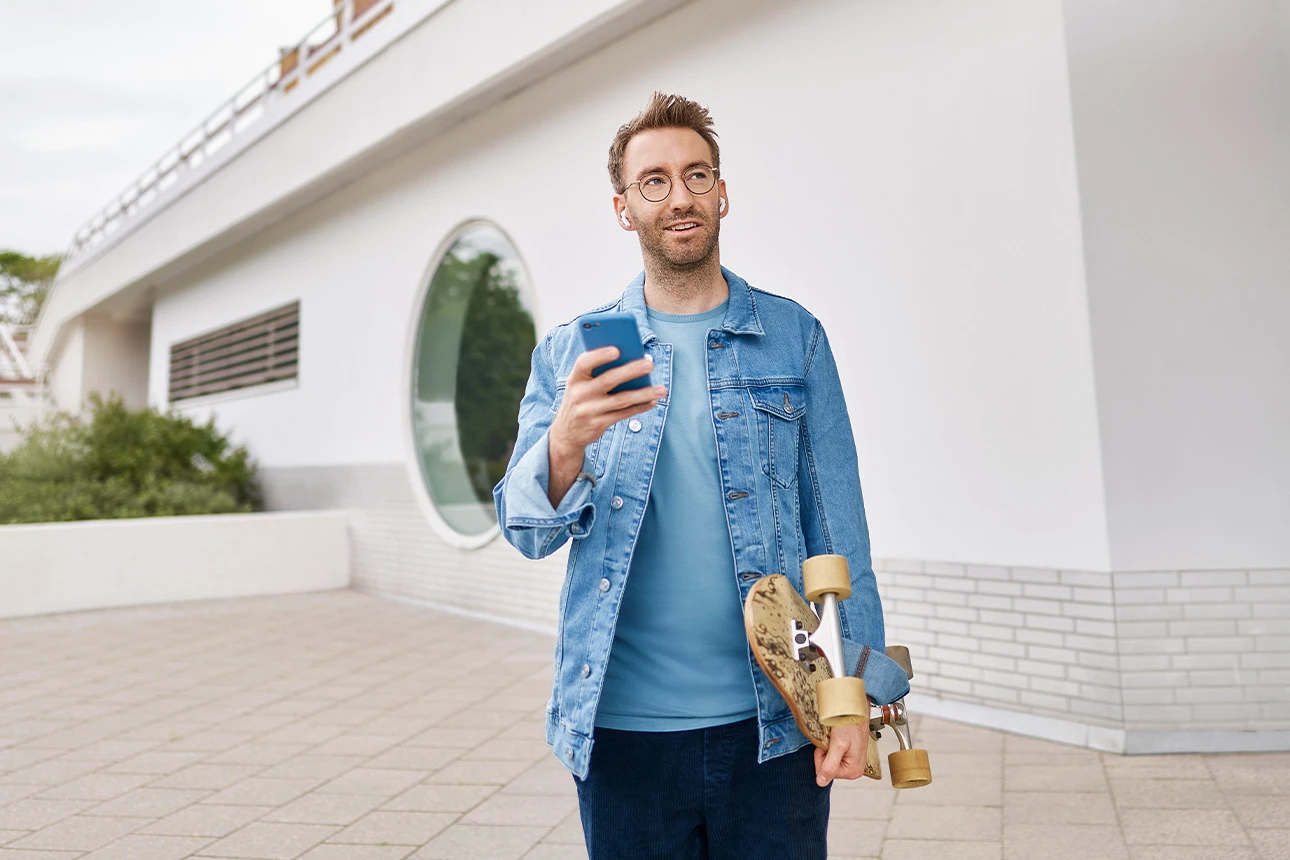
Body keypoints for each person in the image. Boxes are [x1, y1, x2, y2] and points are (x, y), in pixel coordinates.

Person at [493, 92, 910, 860]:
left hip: (776, 722)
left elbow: (839, 532)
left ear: (723, 193)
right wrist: (565, 442)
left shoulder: (794, 339)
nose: (678, 196)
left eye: (696, 175)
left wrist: (854, 700)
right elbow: (523, 531)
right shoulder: (568, 357)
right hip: (622, 734)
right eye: (653, 181)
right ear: (624, 208)